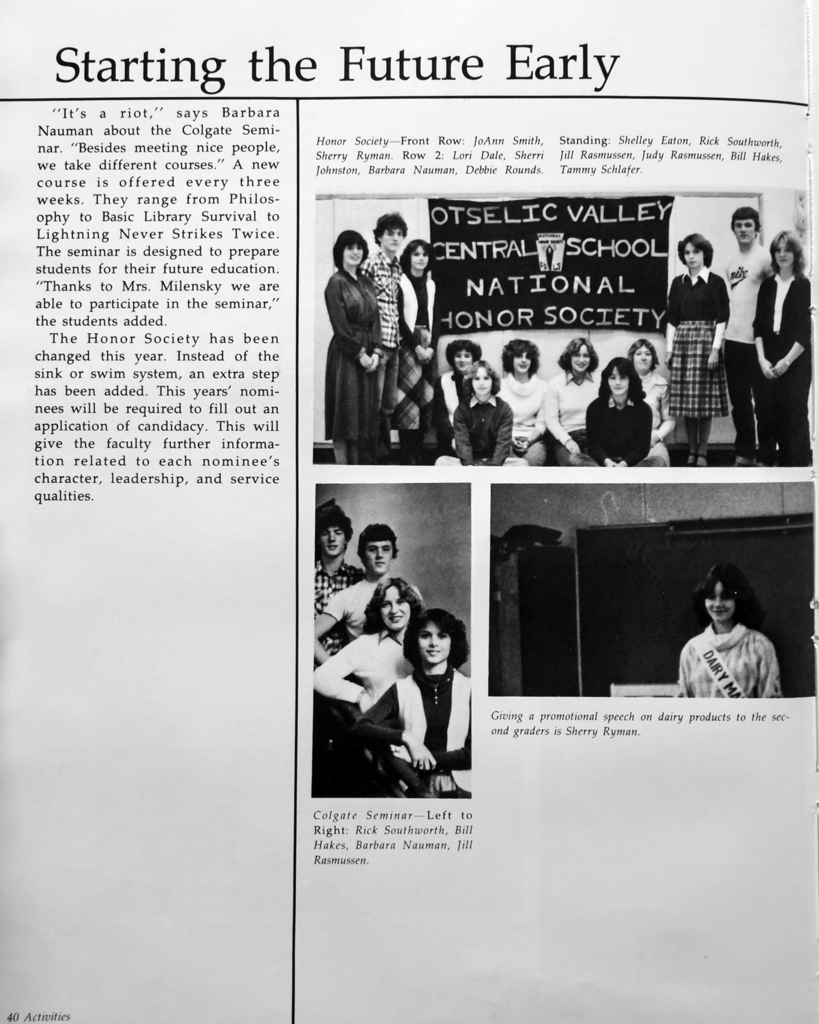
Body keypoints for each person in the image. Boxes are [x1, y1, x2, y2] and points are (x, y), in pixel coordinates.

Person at [351, 608, 471, 798]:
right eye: (425, 636)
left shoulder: (470, 688)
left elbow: (474, 754)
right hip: (412, 788)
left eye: (442, 636)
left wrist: (416, 758)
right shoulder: (401, 689)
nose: (433, 643)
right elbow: (360, 728)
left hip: (465, 790)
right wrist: (407, 738)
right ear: (415, 641)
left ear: (452, 642)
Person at [665, 233, 730, 467]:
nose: (691, 257)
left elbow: (722, 318)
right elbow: (672, 319)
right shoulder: (677, 283)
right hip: (682, 344)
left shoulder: (715, 282)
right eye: (687, 253)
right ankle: (691, 450)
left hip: (705, 342)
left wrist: (715, 350)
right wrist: (669, 349)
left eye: (696, 252)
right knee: (687, 403)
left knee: (704, 403)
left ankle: (703, 451)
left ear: (705, 254)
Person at [313, 578, 424, 709]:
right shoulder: (366, 645)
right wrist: (360, 696)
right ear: (378, 610)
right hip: (384, 725)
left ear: (411, 605)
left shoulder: (426, 642)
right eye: (386, 604)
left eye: (400, 602)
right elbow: (320, 678)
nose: (394, 610)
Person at [753, 231, 812, 467]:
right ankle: (765, 463)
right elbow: (757, 326)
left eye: (787, 249)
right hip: (768, 354)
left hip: (795, 357)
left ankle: (794, 467)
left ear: (795, 254)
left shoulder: (804, 285)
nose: (782, 254)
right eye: (778, 250)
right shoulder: (767, 285)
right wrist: (762, 360)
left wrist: (786, 362)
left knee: (793, 414)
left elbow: (804, 331)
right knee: (766, 412)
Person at [678, 563, 781, 698]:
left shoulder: (759, 645)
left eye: (725, 597)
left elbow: (771, 704)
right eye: (711, 597)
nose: (718, 604)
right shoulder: (692, 649)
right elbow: (684, 704)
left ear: (738, 599)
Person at [323, 230, 381, 464]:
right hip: (347, 355)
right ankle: (342, 466)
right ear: (341, 252)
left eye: (359, 247)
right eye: (350, 247)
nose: (355, 252)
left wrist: (376, 351)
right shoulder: (335, 283)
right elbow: (340, 325)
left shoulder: (367, 282)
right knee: (345, 413)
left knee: (362, 414)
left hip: (369, 351)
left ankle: (357, 466)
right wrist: (360, 354)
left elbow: (376, 318)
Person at [723, 207, 773, 466]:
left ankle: (765, 455)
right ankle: (745, 453)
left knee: (763, 404)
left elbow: (776, 298)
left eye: (748, 225)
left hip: (759, 344)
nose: (743, 229)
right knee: (740, 404)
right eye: (739, 225)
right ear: (733, 229)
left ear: (757, 229)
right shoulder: (730, 262)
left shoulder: (765, 258)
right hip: (733, 342)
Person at [314, 523, 402, 664]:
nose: (379, 555)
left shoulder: (407, 592)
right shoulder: (346, 596)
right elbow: (309, 635)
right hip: (365, 680)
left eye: (386, 549)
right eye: (372, 550)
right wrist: (333, 670)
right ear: (362, 555)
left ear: (393, 554)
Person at [360, 212, 408, 460]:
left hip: (394, 344)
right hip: (377, 345)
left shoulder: (397, 266)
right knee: (373, 405)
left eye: (399, 234)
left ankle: (384, 455)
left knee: (388, 406)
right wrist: (370, 347)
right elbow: (361, 304)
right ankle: (370, 458)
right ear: (379, 236)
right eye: (390, 233)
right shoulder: (370, 263)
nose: (395, 238)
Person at [394, 239, 438, 465]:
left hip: (428, 346)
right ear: (408, 257)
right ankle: (408, 454)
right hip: (410, 345)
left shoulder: (431, 285)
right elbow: (400, 320)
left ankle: (419, 451)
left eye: (425, 254)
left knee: (425, 399)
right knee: (407, 402)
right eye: (416, 254)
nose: (421, 258)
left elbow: (436, 319)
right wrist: (417, 347)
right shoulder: (400, 282)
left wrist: (431, 347)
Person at [436, 361, 513, 467]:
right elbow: (462, 442)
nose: (481, 383)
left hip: (496, 462)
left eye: (486, 378)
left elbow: (503, 443)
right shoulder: (462, 410)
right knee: (441, 462)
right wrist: (469, 467)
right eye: (477, 379)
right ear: (471, 382)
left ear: (493, 381)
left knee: (523, 465)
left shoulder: (504, 408)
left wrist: (495, 467)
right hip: (470, 462)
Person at [314, 500, 364, 658]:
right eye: (324, 533)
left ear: (346, 539)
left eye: (337, 532)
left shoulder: (357, 579)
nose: (331, 538)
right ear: (317, 540)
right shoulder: (303, 577)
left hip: (347, 668)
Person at [586, 357, 653, 467]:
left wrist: (624, 463)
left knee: (657, 462)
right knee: (575, 460)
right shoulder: (595, 408)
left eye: (622, 378)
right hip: (603, 463)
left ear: (630, 380)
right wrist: (606, 461)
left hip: (631, 464)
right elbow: (593, 446)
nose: (617, 383)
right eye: (613, 378)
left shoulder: (644, 410)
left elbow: (642, 448)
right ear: (607, 380)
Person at [543, 337, 599, 466]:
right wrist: (567, 441)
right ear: (569, 357)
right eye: (576, 355)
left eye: (586, 355)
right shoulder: (555, 384)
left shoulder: (600, 382)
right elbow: (551, 420)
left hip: (593, 438)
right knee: (574, 463)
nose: (581, 360)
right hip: (566, 437)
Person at [499, 338, 549, 466]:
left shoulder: (543, 387)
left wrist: (529, 441)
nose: (523, 361)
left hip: (534, 440)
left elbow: (541, 423)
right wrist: (510, 440)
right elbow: (497, 422)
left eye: (528, 357)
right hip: (506, 439)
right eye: (518, 356)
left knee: (531, 463)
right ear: (511, 359)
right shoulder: (500, 387)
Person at [628, 338, 676, 467]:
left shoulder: (661, 384)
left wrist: (656, 437)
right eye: (638, 354)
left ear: (653, 358)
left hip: (651, 440)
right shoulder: (620, 382)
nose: (643, 358)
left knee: (659, 463)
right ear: (632, 358)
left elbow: (670, 420)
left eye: (647, 354)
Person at [432, 338, 482, 459]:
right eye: (458, 356)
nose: (462, 360)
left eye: (467, 356)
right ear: (452, 359)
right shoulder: (442, 381)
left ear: (473, 358)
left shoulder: (483, 379)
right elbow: (440, 416)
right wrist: (455, 438)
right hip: (450, 439)